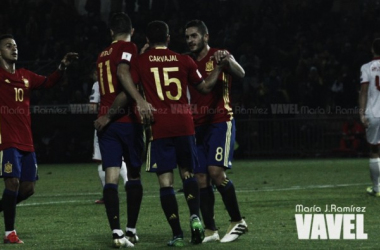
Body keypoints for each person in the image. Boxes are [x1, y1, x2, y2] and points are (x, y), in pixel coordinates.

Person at [125, 20, 224, 247]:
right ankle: (195, 216)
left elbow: (130, 85)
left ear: (148, 41)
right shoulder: (184, 60)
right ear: (169, 39)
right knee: (188, 174)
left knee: (166, 183)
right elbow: (205, 87)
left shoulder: (141, 61)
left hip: (159, 126)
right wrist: (218, 68)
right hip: (184, 125)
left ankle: (178, 234)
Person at [0, 34, 78, 244]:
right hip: (6, 140)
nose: (13, 49)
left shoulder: (25, 75)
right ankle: (10, 234)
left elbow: (48, 82)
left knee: (28, 189)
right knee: (13, 182)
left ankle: (2, 207)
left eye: (15, 46)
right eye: (8, 46)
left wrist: (62, 67)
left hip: (27, 141)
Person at [184, 20, 248, 243]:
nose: (191, 40)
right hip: (197, 126)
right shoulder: (188, 61)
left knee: (215, 172)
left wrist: (228, 59)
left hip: (221, 121)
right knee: (200, 178)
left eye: (194, 36)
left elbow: (241, 73)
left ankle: (237, 220)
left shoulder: (219, 56)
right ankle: (211, 230)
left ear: (205, 37)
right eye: (188, 37)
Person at [93, 12, 153, 248]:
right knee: (135, 176)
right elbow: (124, 74)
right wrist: (139, 100)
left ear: (111, 32)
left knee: (111, 176)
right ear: (132, 31)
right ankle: (131, 229)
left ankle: (117, 233)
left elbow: (125, 71)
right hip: (126, 121)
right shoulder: (129, 46)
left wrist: (106, 116)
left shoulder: (102, 54)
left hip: (105, 124)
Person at [88, 69, 128, 205]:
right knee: (120, 157)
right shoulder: (121, 82)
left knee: (101, 160)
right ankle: (129, 184)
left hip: (103, 123)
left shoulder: (98, 83)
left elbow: (93, 108)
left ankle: (108, 195)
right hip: (122, 122)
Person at [359, 38, 380, 197]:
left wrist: (361, 113)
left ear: (373, 50)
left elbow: (364, 91)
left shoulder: (366, 67)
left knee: (374, 150)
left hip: (373, 113)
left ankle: (377, 188)